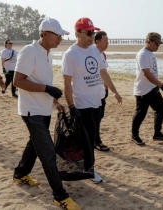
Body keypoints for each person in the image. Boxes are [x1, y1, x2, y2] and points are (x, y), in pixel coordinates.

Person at [12, 17, 81, 210]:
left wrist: (54, 101)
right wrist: (47, 89)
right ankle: (60, 196)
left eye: (61, 35)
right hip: (31, 111)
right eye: (57, 35)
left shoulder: (47, 53)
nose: (60, 38)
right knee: (48, 153)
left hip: (43, 109)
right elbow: (18, 81)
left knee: (33, 144)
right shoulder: (29, 51)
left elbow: (39, 79)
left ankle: (20, 174)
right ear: (44, 34)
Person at [62, 17, 122, 183]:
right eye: (88, 33)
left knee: (89, 136)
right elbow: (66, 83)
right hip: (82, 103)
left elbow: (103, 73)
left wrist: (115, 91)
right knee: (88, 139)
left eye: (93, 32)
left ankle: (84, 165)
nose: (91, 36)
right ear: (77, 33)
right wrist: (71, 106)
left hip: (97, 100)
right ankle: (89, 170)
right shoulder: (71, 54)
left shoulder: (95, 51)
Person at [131, 32, 163, 146]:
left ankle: (157, 133)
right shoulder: (142, 54)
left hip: (153, 89)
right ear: (149, 41)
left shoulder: (150, 53)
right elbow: (147, 74)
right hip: (143, 90)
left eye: (159, 44)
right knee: (140, 114)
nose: (158, 46)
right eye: (157, 44)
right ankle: (134, 135)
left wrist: (157, 86)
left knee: (161, 109)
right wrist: (161, 85)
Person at [94, 31, 110, 152]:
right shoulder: (92, 54)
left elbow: (104, 73)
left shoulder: (103, 55)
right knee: (94, 118)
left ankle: (95, 139)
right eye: (106, 41)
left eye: (108, 41)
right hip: (92, 92)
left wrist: (106, 88)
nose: (107, 43)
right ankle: (96, 141)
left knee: (100, 116)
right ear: (97, 42)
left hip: (101, 92)